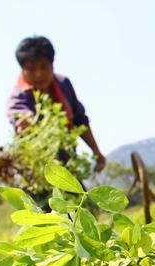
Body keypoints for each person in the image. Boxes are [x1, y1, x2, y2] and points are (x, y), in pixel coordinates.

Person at [6, 36, 106, 173]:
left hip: (68, 163)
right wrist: (26, 121)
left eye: (44, 67)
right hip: (36, 169)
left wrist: (96, 152)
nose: (39, 74)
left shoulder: (63, 84)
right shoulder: (18, 97)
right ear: (22, 70)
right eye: (31, 69)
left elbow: (80, 120)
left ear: (52, 65)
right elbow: (20, 117)